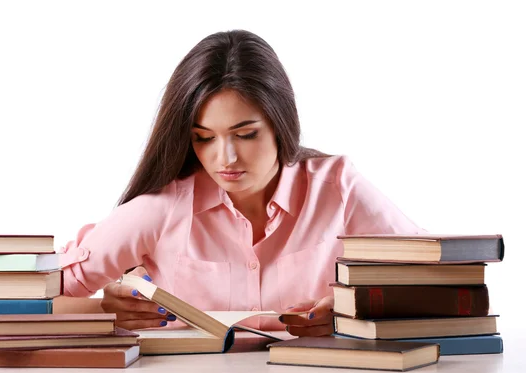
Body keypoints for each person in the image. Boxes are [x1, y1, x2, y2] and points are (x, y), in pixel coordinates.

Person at [57, 29, 425, 337]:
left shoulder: (338, 189)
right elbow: (30, 301)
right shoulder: (162, 208)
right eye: (204, 138)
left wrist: (355, 307)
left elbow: (436, 281)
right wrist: (102, 312)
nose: (225, 159)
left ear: (281, 124)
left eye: (245, 134)